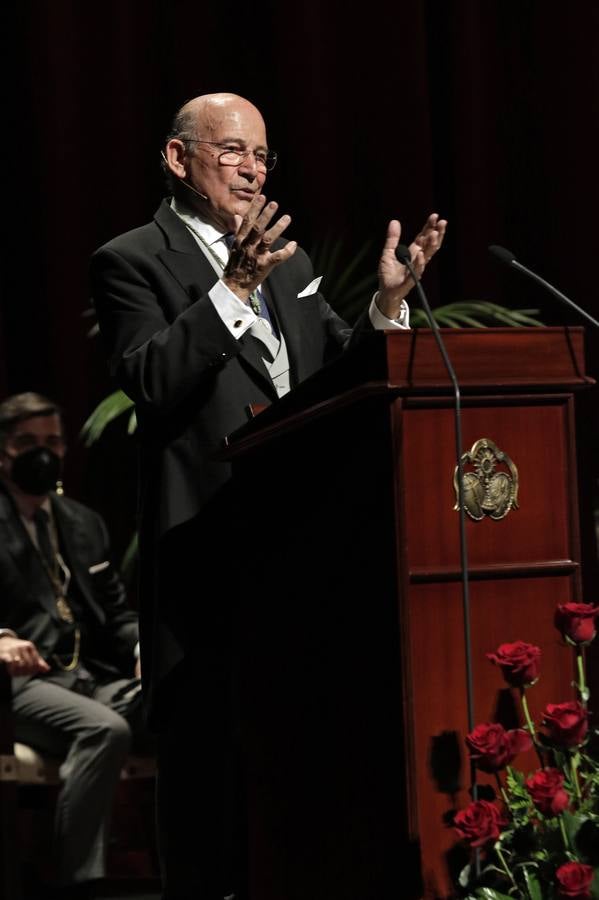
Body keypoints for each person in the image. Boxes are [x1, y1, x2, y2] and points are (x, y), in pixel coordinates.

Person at [90, 92, 447, 900]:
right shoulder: (131, 260)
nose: (252, 169)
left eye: (261, 155)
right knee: (208, 769)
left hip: (300, 553)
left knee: (297, 761)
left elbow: (328, 383)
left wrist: (388, 304)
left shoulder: (288, 262)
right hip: (205, 555)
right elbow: (151, 380)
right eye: (232, 152)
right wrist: (232, 290)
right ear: (179, 160)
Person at [0, 392, 145, 900]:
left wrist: (139, 648)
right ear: (3, 453)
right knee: (106, 730)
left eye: (53, 442)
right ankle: (78, 886)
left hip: (85, 679)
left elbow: (118, 615)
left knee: (183, 701)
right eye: (26, 443)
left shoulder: (82, 523)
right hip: (19, 687)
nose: (43, 453)